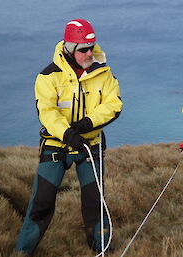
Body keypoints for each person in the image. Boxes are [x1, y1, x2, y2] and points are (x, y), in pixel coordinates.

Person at [15, 18, 123, 256]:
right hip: (56, 145)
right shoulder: (48, 76)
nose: (89, 53)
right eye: (83, 49)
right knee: (41, 203)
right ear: (69, 48)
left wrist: (85, 125)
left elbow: (113, 105)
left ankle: (101, 247)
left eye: (91, 48)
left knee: (94, 202)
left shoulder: (103, 72)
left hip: (90, 146)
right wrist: (68, 135)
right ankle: (23, 251)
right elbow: (47, 112)